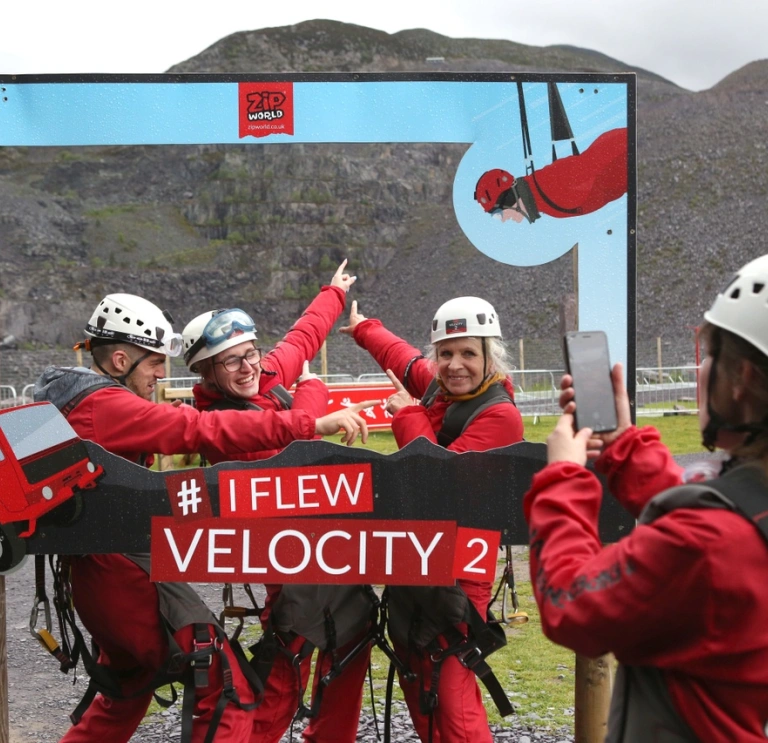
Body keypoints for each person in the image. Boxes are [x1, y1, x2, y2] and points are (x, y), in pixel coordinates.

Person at [33, 291, 374, 743]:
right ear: (119, 360)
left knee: (125, 697)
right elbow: (196, 428)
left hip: (105, 579)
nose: (160, 374)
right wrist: (310, 418)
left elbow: (299, 341)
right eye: (154, 363)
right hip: (125, 575)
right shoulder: (106, 406)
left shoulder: (80, 401)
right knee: (224, 688)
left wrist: (332, 295)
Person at [523, 254, 768, 742]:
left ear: (740, 381)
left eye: (710, 354)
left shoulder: (706, 545)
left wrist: (564, 476)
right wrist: (625, 447)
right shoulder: (736, 522)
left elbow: (571, 603)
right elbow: (720, 524)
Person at [182, 261, 378, 743]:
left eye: (251, 353)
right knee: (293, 655)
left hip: (319, 551)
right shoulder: (225, 426)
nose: (249, 366)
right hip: (290, 559)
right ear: (207, 372)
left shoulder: (263, 378)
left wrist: (332, 293)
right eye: (232, 360)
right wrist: (312, 391)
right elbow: (297, 451)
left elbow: (302, 337)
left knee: (342, 643)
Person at [341, 296, 525, 743]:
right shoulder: (438, 390)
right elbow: (400, 356)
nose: (455, 364)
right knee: (415, 670)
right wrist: (364, 327)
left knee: (450, 675)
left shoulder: (500, 416)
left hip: (460, 568)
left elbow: (435, 478)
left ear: (489, 356)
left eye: (468, 353)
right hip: (416, 556)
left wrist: (406, 414)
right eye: (445, 353)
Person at [474, 127, 627, 223]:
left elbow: (597, 168)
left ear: (508, 199)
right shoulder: (544, 199)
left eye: (499, 215)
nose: (504, 220)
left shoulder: (548, 189)